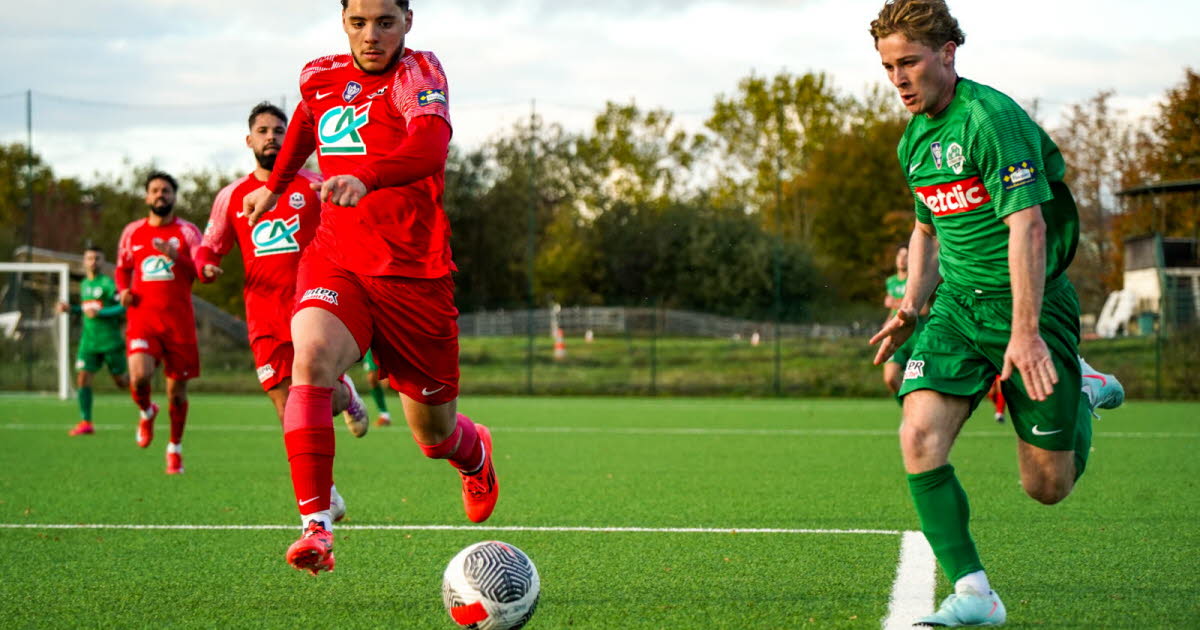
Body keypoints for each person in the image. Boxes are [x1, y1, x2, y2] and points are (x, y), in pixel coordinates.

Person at [867, 1, 1125, 625]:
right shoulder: (913, 140)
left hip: (1026, 304)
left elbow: (1029, 226)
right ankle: (976, 595)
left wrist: (1027, 333)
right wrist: (912, 307)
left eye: (909, 62)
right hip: (956, 307)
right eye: (887, 67)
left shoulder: (991, 119)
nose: (898, 79)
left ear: (948, 53)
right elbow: (928, 227)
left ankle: (1082, 389)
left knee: (1047, 487)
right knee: (917, 435)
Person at [243, 0, 498, 575]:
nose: (371, 36)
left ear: (408, 19)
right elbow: (307, 123)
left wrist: (367, 174)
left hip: (414, 275)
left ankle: (473, 451)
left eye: (385, 22)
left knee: (432, 435)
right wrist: (278, 187)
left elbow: (431, 146)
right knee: (308, 358)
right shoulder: (319, 74)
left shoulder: (419, 74)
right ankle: (316, 526)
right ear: (343, 22)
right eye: (358, 23)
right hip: (338, 260)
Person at [197, 102, 370, 435]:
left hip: (312, 304)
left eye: (279, 131)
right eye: (262, 132)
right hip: (263, 313)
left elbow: (350, 228)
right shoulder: (231, 195)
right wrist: (206, 266)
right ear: (249, 141)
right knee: (287, 404)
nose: (271, 138)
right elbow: (210, 246)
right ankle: (323, 488)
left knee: (314, 397)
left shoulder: (315, 184)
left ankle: (344, 393)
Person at [115, 172, 205, 475]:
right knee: (139, 378)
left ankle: (174, 448)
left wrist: (176, 256)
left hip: (179, 324)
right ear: (146, 197)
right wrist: (123, 291)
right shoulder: (132, 232)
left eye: (166, 190)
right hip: (143, 321)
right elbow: (121, 268)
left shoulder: (188, 232)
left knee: (176, 394)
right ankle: (145, 410)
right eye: (154, 190)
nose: (160, 195)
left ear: (174, 196)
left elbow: (201, 270)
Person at [56, 246, 130, 436]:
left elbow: (123, 308)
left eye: (97, 258)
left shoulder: (108, 284)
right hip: (88, 342)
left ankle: (146, 402)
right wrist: (70, 309)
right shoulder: (83, 285)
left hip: (110, 341)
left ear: (103, 262)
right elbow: (86, 309)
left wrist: (102, 312)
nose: (93, 262)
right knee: (82, 378)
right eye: (89, 258)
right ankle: (86, 422)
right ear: (84, 261)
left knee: (122, 382)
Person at [882, 243, 929, 395]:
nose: (902, 259)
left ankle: (914, 414)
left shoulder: (917, 280)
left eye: (906, 256)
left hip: (916, 338)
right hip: (897, 338)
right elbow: (893, 311)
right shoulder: (890, 281)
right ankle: (907, 412)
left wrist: (895, 302)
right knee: (890, 378)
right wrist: (886, 324)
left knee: (916, 385)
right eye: (900, 256)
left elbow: (924, 309)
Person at [362, 349, 392, 426]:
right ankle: (384, 415)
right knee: (372, 379)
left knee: (388, 382)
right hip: (369, 345)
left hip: (386, 341)